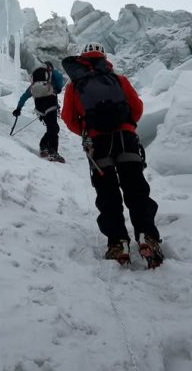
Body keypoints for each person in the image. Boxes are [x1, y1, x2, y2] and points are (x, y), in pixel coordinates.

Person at [61, 44, 163, 266]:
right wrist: (128, 126)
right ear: (103, 57)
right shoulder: (117, 78)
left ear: (82, 57)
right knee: (136, 187)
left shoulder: (75, 83)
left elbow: (68, 117)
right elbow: (136, 106)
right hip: (125, 138)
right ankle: (147, 235)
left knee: (107, 193)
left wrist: (87, 132)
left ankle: (118, 242)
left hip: (97, 143)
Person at [12, 61, 65, 161]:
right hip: (50, 103)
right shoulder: (52, 73)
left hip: (39, 107)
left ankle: (44, 146)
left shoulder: (35, 82)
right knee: (53, 127)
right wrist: (57, 89)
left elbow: (25, 95)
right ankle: (52, 152)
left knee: (52, 127)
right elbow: (59, 81)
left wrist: (18, 108)